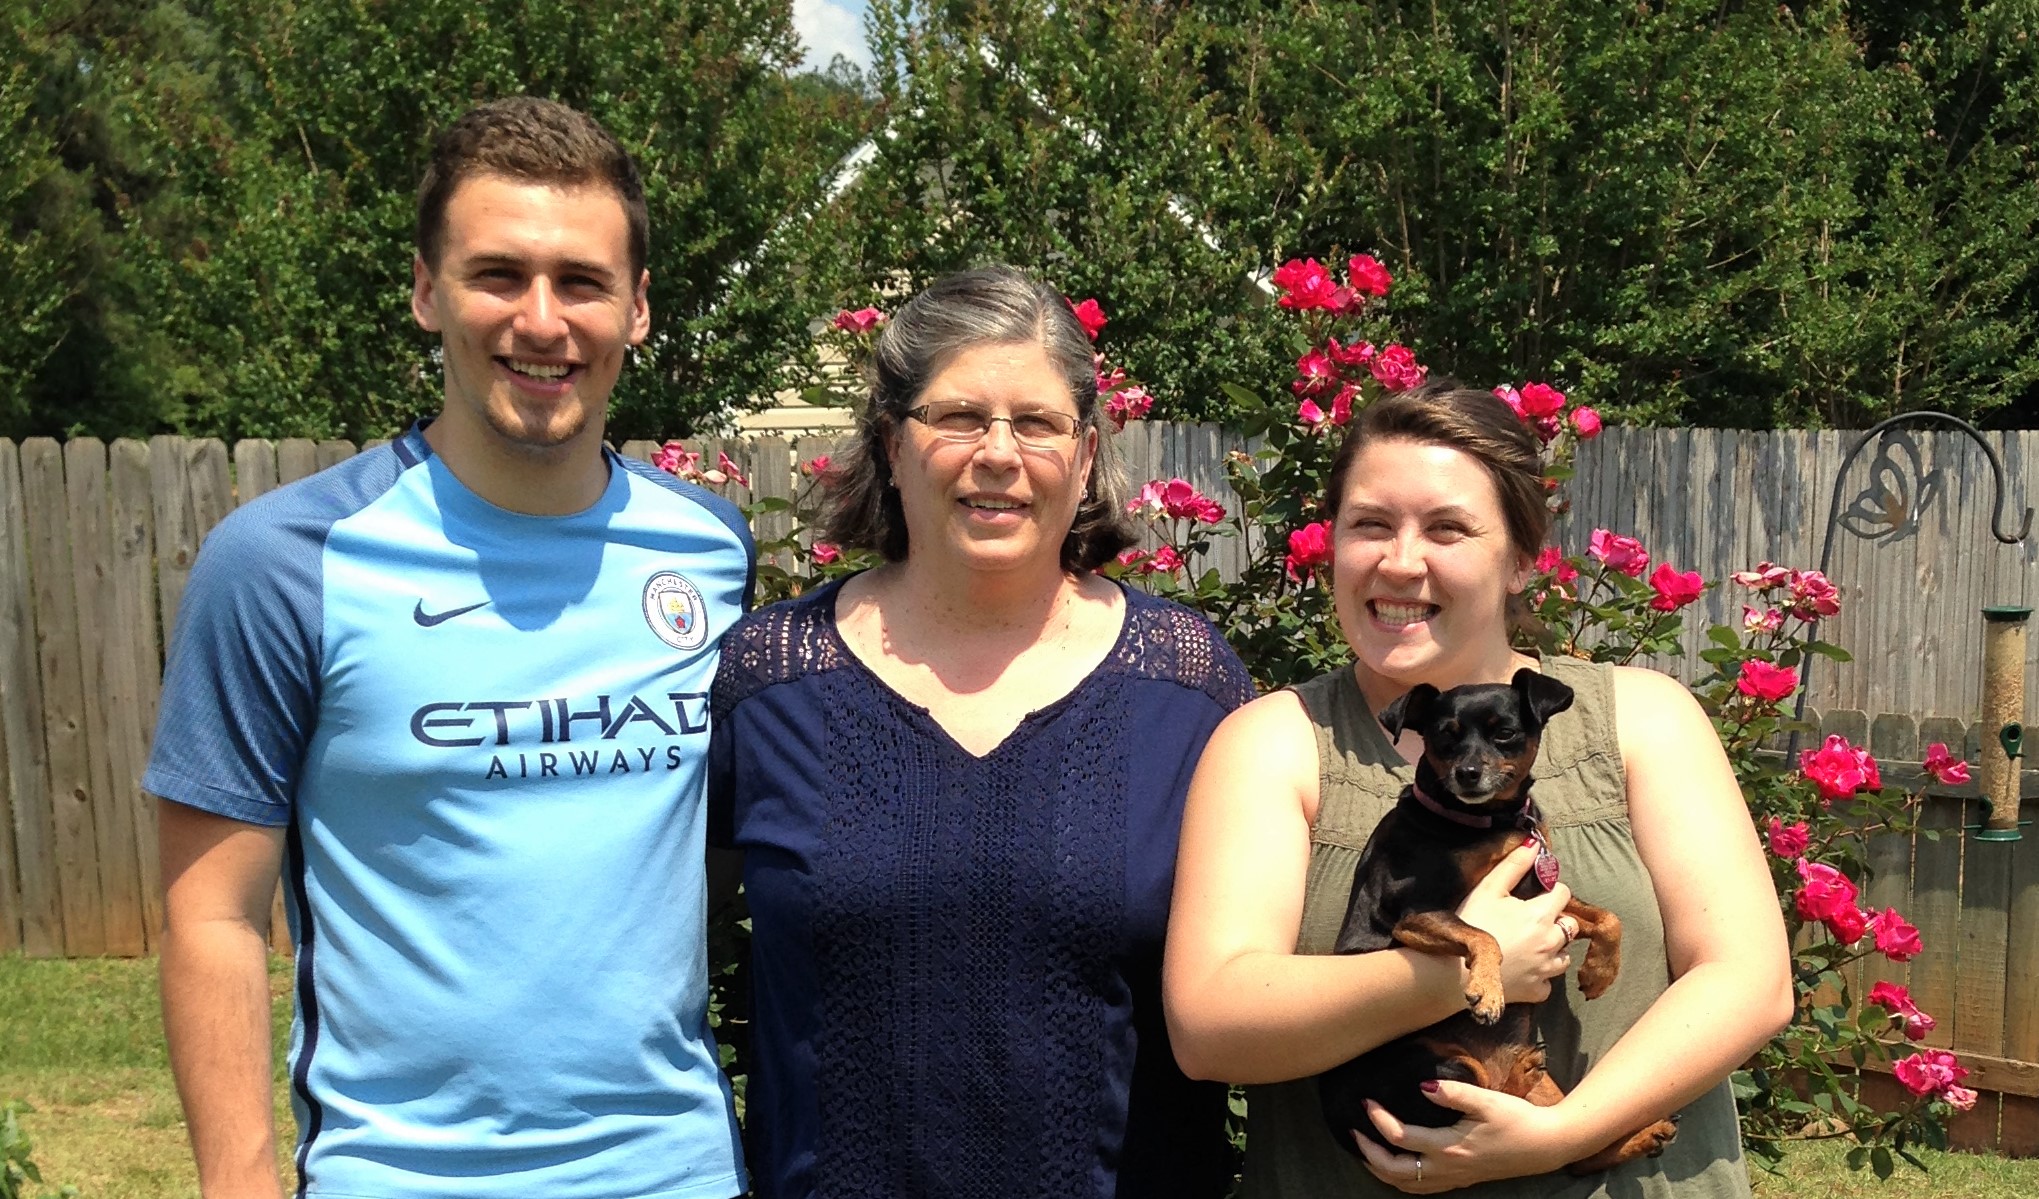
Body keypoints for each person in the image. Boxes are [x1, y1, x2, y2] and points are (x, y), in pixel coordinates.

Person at [149, 97, 748, 1199]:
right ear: (428, 291)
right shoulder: (285, 565)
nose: (541, 320)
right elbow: (211, 916)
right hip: (397, 1174)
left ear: (637, 309)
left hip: (678, 1171)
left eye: (581, 281)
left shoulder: (709, 551)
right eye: (497, 275)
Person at [1162, 384, 1793, 1197]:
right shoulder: (1274, 744)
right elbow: (1210, 1026)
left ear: (1522, 557)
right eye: (1369, 524)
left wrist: (1561, 1133)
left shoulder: (1642, 720)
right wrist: (1454, 968)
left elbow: (1748, 981)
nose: (1400, 560)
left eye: (1446, 528)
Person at [707, 266, 1255, 1198]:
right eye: (958, 416)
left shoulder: (1186, 687)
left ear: (1084, 455)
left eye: (1036, 422)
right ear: (892, 443)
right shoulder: (772, 680)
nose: (998, 453)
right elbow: (661, 939)